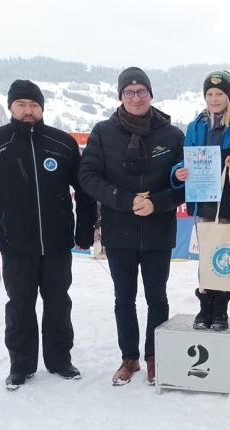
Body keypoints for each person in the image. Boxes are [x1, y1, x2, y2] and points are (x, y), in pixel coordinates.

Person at [0, 79, 96, 391]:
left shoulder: (62, 143)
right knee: (20, 305)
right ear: (11, 107)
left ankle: (60, 359)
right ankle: (20, 365)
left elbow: (85, 190)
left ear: (42, 109)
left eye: (34, 105)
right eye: (21, 104)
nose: (28, 110)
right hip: (15, 243)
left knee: (58, 302)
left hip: (57, 243)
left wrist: (85, 230)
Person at [79, 67, 186, 386]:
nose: (136, 97)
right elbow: (88, 176)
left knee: (157, 298)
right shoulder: (102, 132)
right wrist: (124, 200)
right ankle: (130, 358)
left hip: (158, 230)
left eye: (142, 91)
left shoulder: (172, 135)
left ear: (151, 95)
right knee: (124, 299)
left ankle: (155, 356)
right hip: (119, 230)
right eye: (129, 92)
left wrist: (159, 202)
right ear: (120, 96)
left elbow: (186, 183)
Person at [171, 71, 230, 332]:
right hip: (203, 201)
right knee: (206, 256)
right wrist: (177, 173)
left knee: (225, 254)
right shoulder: (195, 127)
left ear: (229, 96)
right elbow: (184, 160)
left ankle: (221, 306)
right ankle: (204, 305)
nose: (214, 98)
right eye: (209, 94)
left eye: (219, 93)